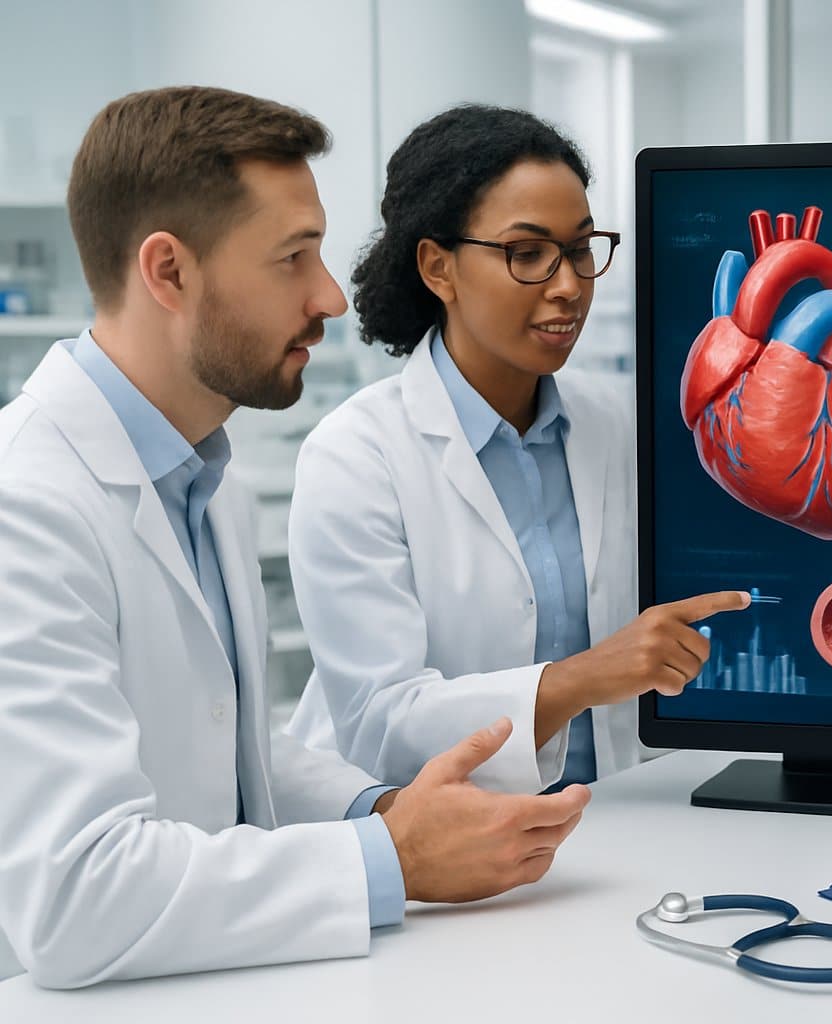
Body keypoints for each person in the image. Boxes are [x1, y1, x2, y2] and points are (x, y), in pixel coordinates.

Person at [0, 87, 593, 988]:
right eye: (293, 258)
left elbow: (225, 745)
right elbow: (76, 893)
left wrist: (387, 806)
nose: (328, 296)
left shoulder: (195, 467)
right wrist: (389, 857)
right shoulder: (26, 506)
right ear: (168, 273)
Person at [282, 105, 747, 793]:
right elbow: (380, 724)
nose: (568, 285)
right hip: (439, 849)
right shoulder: (355, 458)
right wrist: (587, 677)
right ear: (438, 267)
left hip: (622, 816)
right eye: (527, 253)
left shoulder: (618, 425)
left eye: (581, 249)